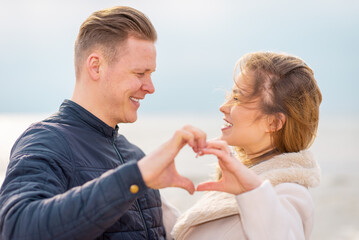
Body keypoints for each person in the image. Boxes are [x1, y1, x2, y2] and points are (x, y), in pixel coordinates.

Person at [0, 6, 207, 240]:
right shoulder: (47, 140)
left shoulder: (134, 155)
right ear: (96, 66)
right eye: (140, 73)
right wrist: (135, 177)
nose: (150, 87)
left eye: (151, 74)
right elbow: (16, 227)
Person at [171, 52, 322, 239]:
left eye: (237, 99)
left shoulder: (289, 193)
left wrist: (250, 191)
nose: (223, 106)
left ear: (273, 123)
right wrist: (144, 185)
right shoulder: (244, 178)